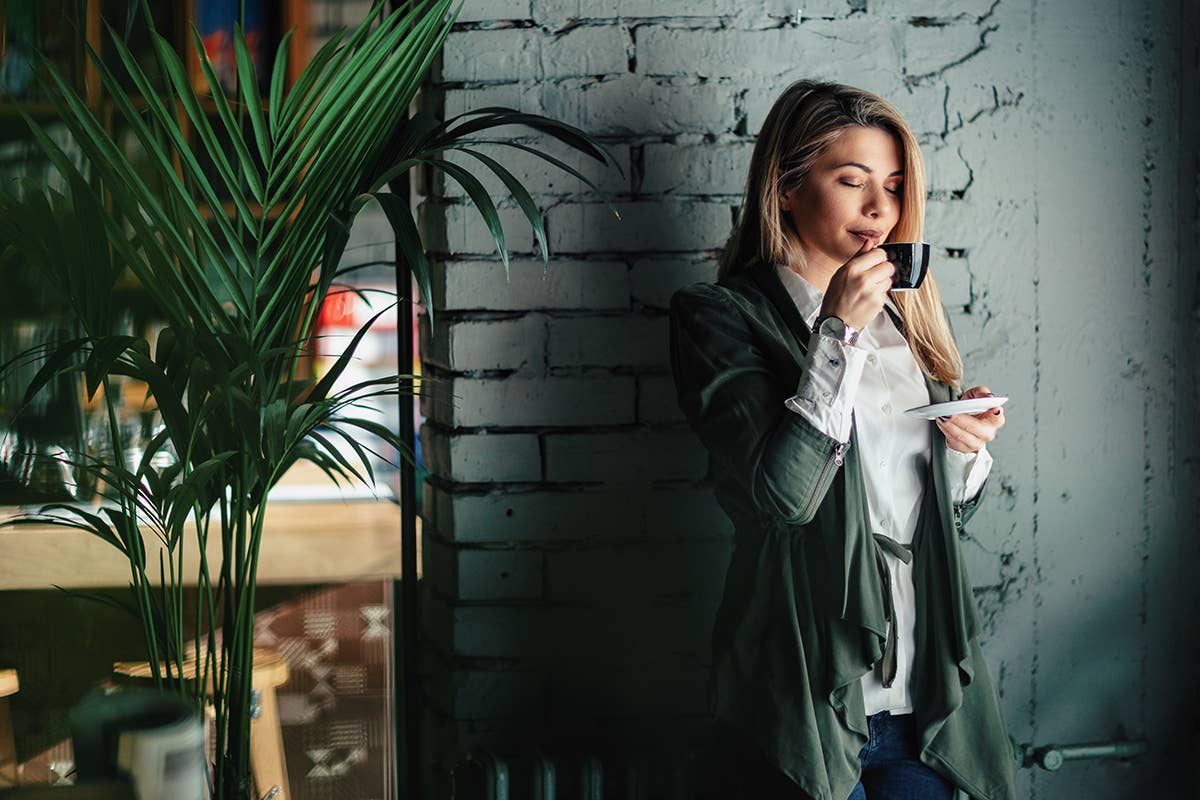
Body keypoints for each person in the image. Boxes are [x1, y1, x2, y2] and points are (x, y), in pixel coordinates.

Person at [669, 80, 1018, 800]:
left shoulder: (909, 319)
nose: (878, 208)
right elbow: (783, 499)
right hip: (801, 688)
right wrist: (838, 333)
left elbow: (931, 519)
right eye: (852, 180)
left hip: (918, 696)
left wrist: (964, 448)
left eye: (892, 186)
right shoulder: (720, 317)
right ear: (787, 188)